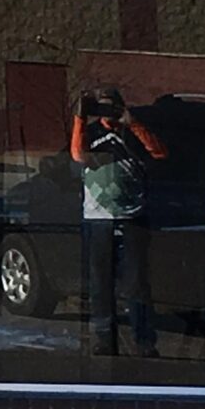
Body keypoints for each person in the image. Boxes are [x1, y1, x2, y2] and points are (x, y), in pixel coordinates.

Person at [73, 87, 165, 359]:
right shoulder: (91, 134)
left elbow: (159, 152)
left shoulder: (132, 132)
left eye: (111, 107)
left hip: (132, 215)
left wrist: (131, 122)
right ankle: (103, 339)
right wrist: (80, 118)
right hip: (98, 217)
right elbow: (79, 155)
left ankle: (144, 340)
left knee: (137, 282)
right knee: (100, 282)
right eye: (101, 108)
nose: (107, 114)